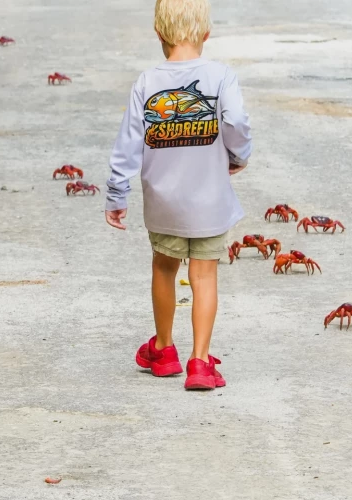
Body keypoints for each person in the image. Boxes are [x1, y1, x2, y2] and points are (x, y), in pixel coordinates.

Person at [104, 0, 252, 390]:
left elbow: (127, 145)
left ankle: (165, 349)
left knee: (164, 267)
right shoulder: (221, 77)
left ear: (158, 33)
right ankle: (200, 363)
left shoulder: (147, 82)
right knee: (203, 276)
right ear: (206, 32)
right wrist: (238, 154)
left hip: (164, 202)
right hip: (210, 201)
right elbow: (235, 121)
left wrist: (117, 194)